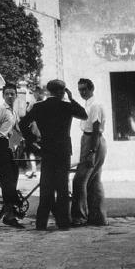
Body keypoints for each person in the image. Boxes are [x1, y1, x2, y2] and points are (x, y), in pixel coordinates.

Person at [19, 79, 87, 231]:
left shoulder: (39, 107)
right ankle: (63, 223)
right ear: (62, 91)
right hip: (63, 151)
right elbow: (84, 115)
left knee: (46, 187)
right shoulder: (67, 106)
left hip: (47, 150)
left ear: (49, 91)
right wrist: (72, 98)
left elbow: (22, 124)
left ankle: (41, 223)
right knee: (62, 188)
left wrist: (33, 140)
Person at [71, 78, 109, 226]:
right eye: (80, 90)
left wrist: (92, 151)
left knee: (79, 180)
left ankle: (79, 217)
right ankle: (98, 217)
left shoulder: (95, 105)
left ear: (92, 89)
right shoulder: (88, 104)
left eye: (85, 89)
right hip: (88, 140)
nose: (82, 92)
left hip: (94, 140)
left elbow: (95, 129)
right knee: (94, 181)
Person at [0, 83, 24, 228]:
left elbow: (16, 130)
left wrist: (19, 142)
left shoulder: (13, 112)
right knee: (7, 181)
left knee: (13, 177)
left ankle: (11, 212)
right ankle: (12, 211)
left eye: (12, 94)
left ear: (16, 95)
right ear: (3, 95)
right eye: (7, 94)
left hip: (7, 146)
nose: (10, 96)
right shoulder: (1, 109)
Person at [24, 86, 46, 179]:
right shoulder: (47, 103)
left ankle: (34, 169)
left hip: (35, 130)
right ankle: (38, 170)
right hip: (43, 131)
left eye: (35, 93)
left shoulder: (33, 104)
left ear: (38, 93)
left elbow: (27, 115)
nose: (34, 95)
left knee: (30, 149)